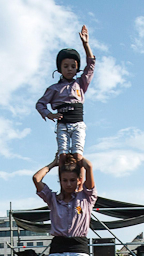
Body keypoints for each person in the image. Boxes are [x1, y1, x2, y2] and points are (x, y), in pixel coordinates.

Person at [36, 26, 94, 166]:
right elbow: (40, 104)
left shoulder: (80, 84)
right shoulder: (54, 89)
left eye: (73, 66)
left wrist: (86, 44)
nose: (69, 69)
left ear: (77, 69)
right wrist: (49, 114)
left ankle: (80, 183)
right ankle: (63, 185)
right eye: (66, 66)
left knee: (77, 155)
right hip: (62, 124)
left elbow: (91, 64)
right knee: (62, 155)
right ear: (60, 68)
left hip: (77, 124)